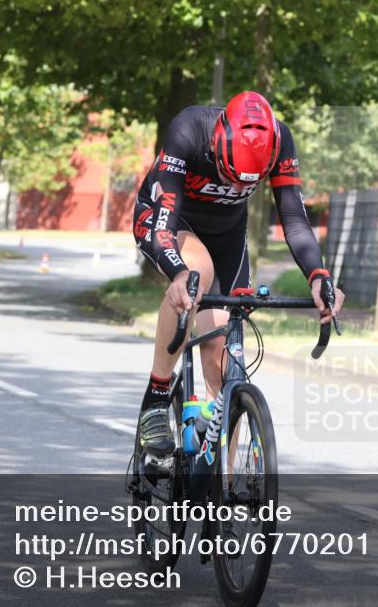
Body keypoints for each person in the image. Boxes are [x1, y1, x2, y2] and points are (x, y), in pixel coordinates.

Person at [132, 91, 344, 460]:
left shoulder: (280, 139)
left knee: (227, 366)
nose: (234, 187)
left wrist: (317, 276)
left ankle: (220, 492)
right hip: (166, 220)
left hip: (228, 236)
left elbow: (294, 219)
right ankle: (157, 396)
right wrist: (178, 273)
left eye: (244, 183)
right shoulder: (189, 130)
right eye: (229, 177)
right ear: (219, 142)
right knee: (197, 272)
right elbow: (165, 217)